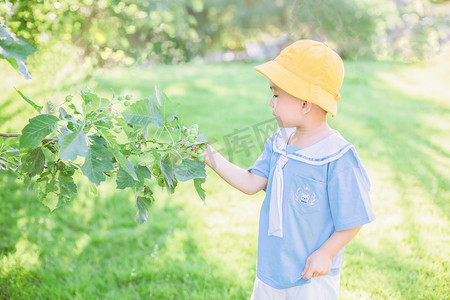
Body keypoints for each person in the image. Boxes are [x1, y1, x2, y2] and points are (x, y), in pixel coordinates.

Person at [202, 40, 375, 300]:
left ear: (305, 104)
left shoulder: (337, 156)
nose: (270, 103)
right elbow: (251, 183)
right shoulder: (279, 141)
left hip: (311, 276)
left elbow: (355, 216)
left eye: (276, 94)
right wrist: (209, 155)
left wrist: (326, 253)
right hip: (273, 268)